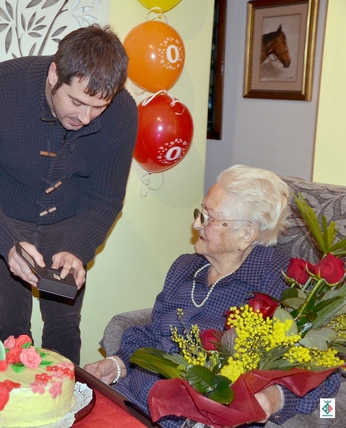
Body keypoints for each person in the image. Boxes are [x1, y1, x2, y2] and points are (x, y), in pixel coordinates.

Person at [84, 165, 343, 427]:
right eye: (200, 212)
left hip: (186, 419)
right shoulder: (185, 267)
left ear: (246, 234)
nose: (196, 224)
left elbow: (324, 376)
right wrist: (116, 364)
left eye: (208, 218)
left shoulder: (283, 286)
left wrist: (274, 399)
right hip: (134, 399)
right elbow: (153, 333)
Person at [0, 24, 138, 364]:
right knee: (11, 325)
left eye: (99, 107)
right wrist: (7, 242)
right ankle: (19, 410)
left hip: (70, 222)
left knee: (65, 324)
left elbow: (106, 196)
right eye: (77, 102)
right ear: (55, 74)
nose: (85, 117)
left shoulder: (123, 112)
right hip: (4, 218)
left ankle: (60, 405)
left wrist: (79, 248)